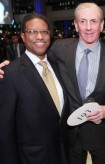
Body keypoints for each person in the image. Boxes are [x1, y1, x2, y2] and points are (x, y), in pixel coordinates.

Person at [48, 2, 105, 164]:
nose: (88, 27)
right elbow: (41, 67)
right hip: (70, 132)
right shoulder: (60, 48)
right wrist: (11, 67)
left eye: (93, 21)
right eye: (83, 21)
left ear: (102, 24)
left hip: (101, 131)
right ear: (76, 25)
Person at [0, 13, 69, 164]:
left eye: (44, 32)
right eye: (32, 32)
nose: (40, 36)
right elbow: (5, 131)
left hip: (63, 153)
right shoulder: (10, 73)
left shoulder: (58, 66)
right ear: (23, 36)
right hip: (33, 157)